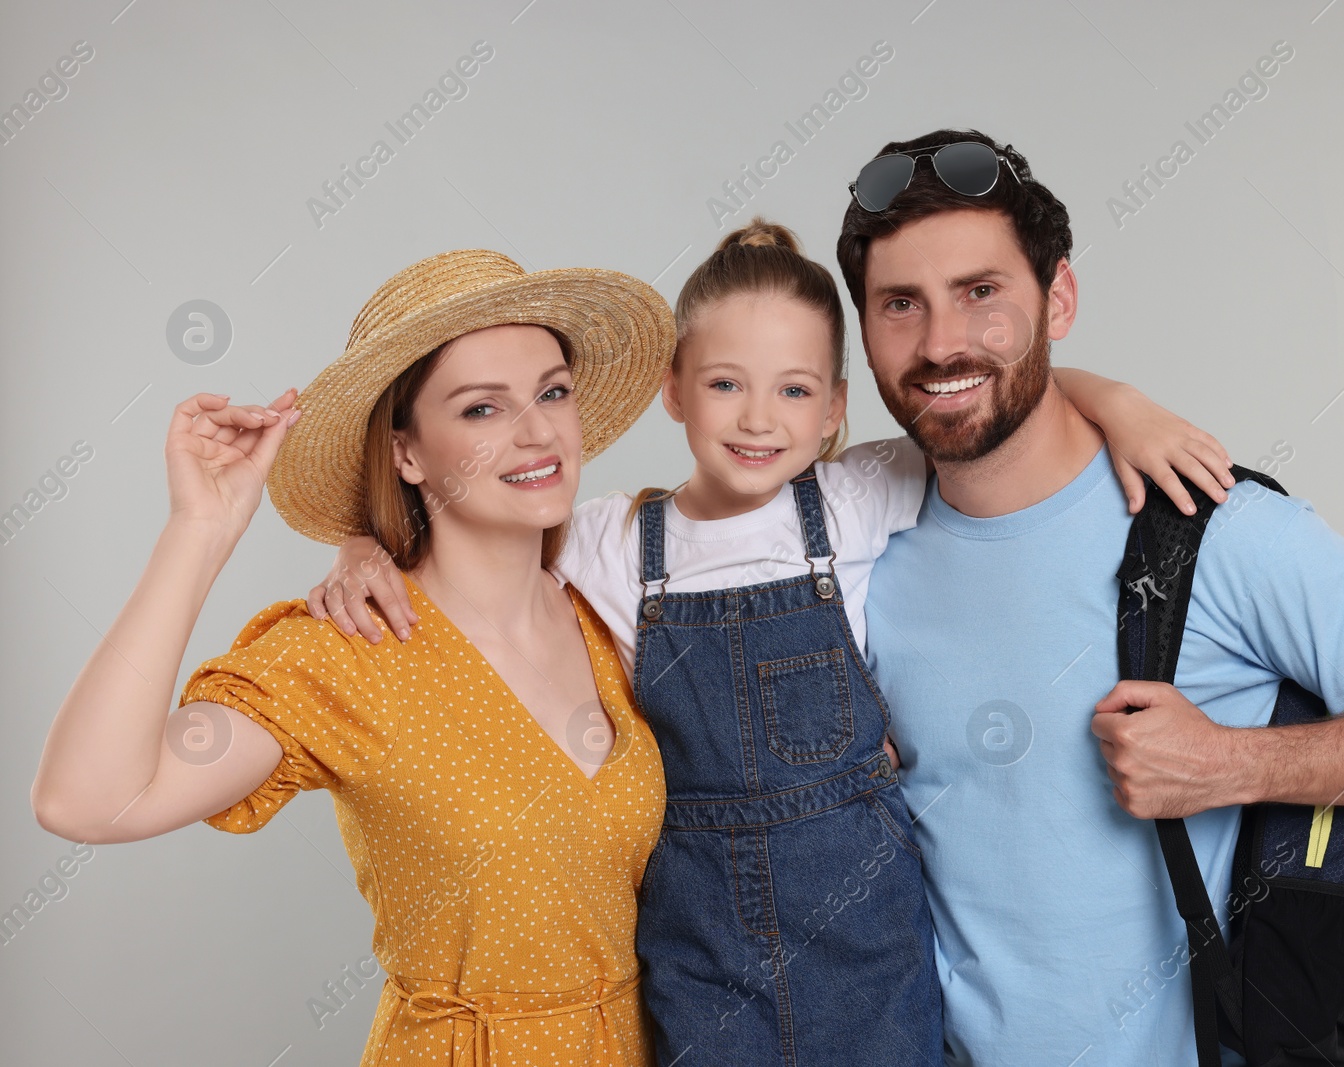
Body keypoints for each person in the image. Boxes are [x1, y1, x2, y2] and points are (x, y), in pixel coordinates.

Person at [310, 220, 1237, 1066]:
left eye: (794, 391)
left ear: (835, 408)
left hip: (868, 944)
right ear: (674, 390)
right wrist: (365, 543)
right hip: (699, 949)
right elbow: (472, 536)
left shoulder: (855, 500)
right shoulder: (612, 546)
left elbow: (985, 406)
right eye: (725, 385)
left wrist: (1118, 400)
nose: (759, 419)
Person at [832, 129, 1344, 1065]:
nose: (941, 341)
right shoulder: (854, 545)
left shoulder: (1215, 529)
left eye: (982, 292)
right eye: (900, 304)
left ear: (1061, 297)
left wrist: (1233, 764)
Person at [31, 250, 680, 1065]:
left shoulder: (615, 604)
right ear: (407, 452)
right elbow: (86, 800)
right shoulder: (348, 650)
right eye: (483, 408)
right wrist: (198, 534)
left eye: (553, 391)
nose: (539, 430)